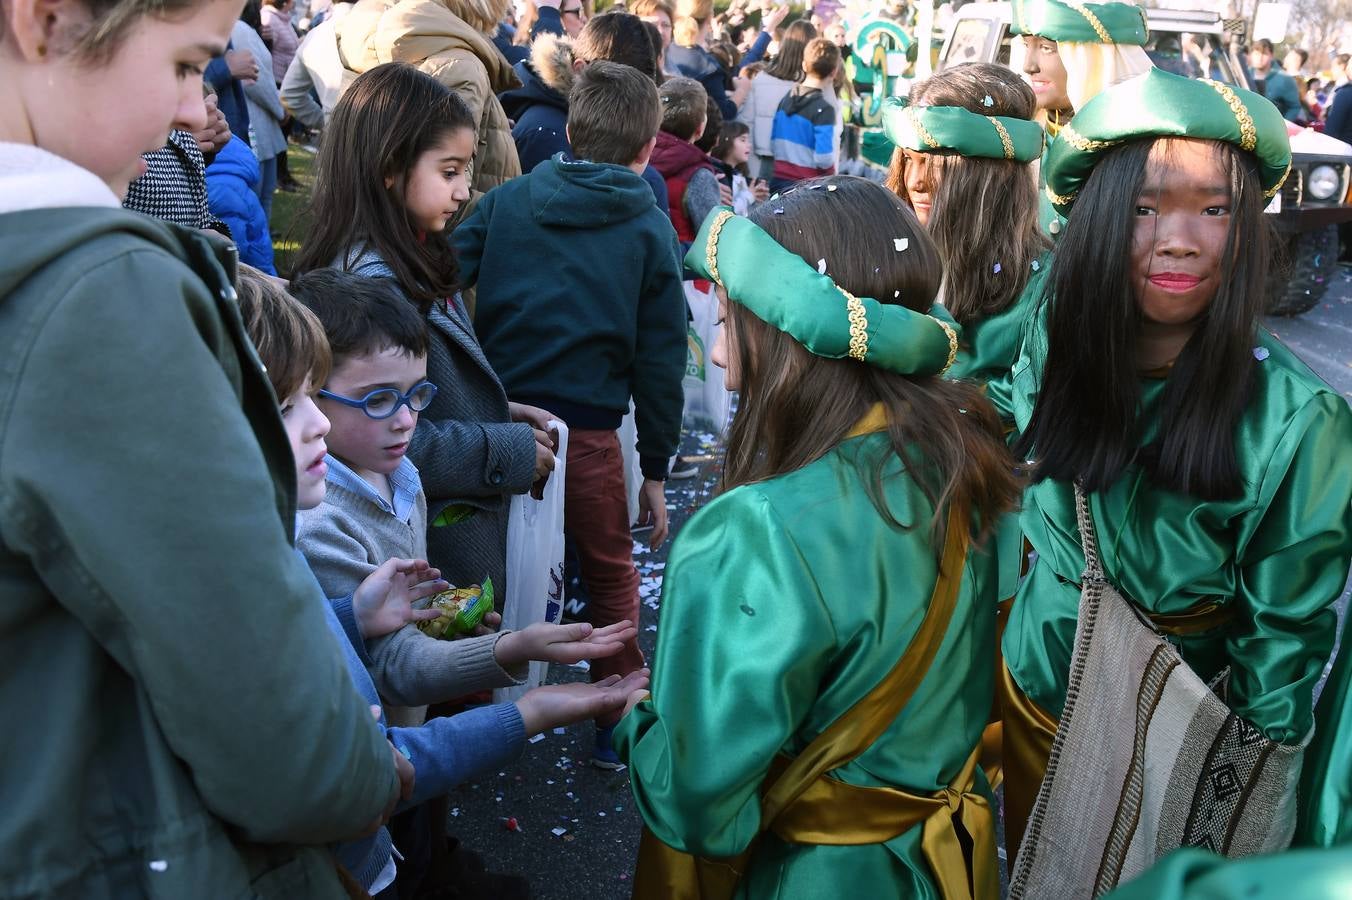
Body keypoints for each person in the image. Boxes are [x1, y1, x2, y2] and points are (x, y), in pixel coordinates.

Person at [0, 0, 406, 894]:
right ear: (49, 21)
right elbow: (279, 730)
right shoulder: (105, 297)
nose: (196, 110)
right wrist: (370, 776)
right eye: (186, 65)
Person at [616, 178, 1022, 898]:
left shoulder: (760, 528)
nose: (715, 351)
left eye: (728, 320)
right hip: (954, 862)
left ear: (792, 337)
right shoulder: (970, 457)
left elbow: (699, 804)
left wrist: (635, 726)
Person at [993, 68, 1352, 861]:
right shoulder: (1050, 335)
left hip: (1173, 734)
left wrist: (1246, 804)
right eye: (1144, 208)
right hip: (1034, 691)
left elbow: (1283, 649)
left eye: (1215, 210)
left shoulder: (1299, 421)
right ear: (1092, 221)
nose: (1179, 239)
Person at [236, 268, 647, 894]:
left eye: (417, 397)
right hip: (383, 772)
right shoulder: (312, 526)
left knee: (425, 844)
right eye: (377, 400)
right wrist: (511, 657)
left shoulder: (396, 474)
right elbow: (388, 681)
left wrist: (427, 620)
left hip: (401, 753)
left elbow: (352, 633)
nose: (407, 421)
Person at [452, 60, 687, 769]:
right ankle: (614, 721)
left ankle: (460, 711)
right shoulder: (648, 230)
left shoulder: (505, 202)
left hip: (497, 424)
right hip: (585, 434)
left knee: (474, 561)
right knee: (610, 568)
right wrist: (653, 467)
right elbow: (661, 359)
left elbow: (436, 278)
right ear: (648, 145)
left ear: (571, 130)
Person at [293, 62, 547, 602]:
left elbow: (426, 395)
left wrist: (500, 411)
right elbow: (385, 431)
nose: (463, 190)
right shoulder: (372, 283)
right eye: (449, 172)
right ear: (391, 167)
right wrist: (506, 449)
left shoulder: (409, 251)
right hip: (424, 551)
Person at [883, 63, 1049, 385]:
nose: (916, 182)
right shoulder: (884, 262)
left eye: (933, 164)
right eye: (908, 160)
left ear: (987, 177)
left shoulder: (1043, 294)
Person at [335, 0, 523, 192]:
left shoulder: (375, 35)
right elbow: (448, 197)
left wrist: (490, 126)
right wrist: (510, 211)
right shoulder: (458, 64)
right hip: (468, 220)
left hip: (357, 210)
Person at [496, 10, 669, 213]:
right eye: (619, 89)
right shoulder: (545, 133)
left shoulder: (564, 120)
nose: (630, 103)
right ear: (580, 69)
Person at [1010, 0, 1152, 236]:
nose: (1029, 65)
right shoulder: (1019, 138)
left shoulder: (1142, 149)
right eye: (1026, 45)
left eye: (1047, 48)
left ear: (1094, 57)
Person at [736, 18, 816, 180]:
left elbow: (746, 123)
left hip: (764, 162)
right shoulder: (813, 87)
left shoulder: (761, 79)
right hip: (799, 164)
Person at [650, 76, 721, 249]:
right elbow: (714, 239)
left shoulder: (633, 154)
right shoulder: (699, 176)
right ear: (700, 128)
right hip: (684, 268)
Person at [232, 6, 287, 217]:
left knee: (263, 197)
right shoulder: (239, 29)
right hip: (255, 123)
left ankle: (261, 244)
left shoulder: (242, 29)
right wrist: (280, 110)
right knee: (258, 200)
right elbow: (256, 80)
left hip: (261, 123)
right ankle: (257, 246)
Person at [769, 36, 840, 190]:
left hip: (779, 180)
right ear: (834, 72)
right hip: (807, 187)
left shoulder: (786, 99)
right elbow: (824, 159)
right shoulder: (824, 109)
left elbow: (773, 144)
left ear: (804, 65)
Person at [206, 132, 278, 273]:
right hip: (261, 273)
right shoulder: (232, 171)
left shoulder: (221, 190)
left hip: (248, 282)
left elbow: (233, 256)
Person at [280, 0, 356, 130]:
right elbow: (289, 95)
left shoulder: (315, 34)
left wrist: (327, 122)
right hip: (383, 135)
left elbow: (289, 95)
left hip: (335, 133)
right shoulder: (386, 31)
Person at [666, 0, 747, 119]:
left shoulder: (665, 50)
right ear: (710, 19)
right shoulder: (709, 68)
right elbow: (723, 114)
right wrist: (741, 91)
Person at [709, 119, 767, 214]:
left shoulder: (740, 175)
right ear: (726, 141)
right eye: (743, 140)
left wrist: (757, 196)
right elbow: (728, 211)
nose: (749, 145)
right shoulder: (718, 174)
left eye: (748, 140)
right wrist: (750, 195)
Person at [1248, 38, 1302, 122]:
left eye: (1264, 54)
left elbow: (1294, 107)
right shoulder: (1244, 74)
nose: (1260, 58)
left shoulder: (1285, 79)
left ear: (1271, 55)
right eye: (1256, 53)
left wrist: (1283, 125)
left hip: (1271, 128)